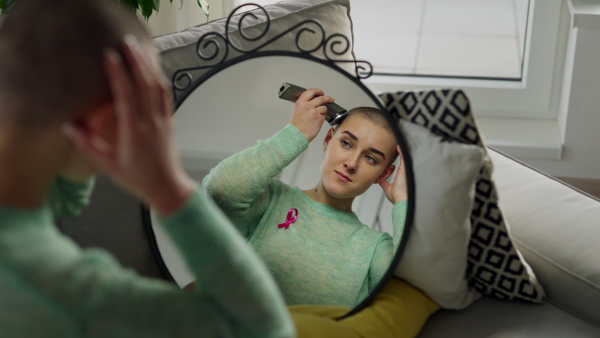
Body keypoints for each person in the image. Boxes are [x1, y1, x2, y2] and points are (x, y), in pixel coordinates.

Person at [0, 0, 294, 337]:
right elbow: (263, 329)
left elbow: (60, 201)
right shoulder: (72, 297)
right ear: (110, 120)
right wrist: (166, 184)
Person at [202, 88, 409, 308]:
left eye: (370, 158)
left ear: (384, 174)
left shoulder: (375, 248)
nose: (351, 163)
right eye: (346, 144)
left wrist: (403, 201)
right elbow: (221, 189)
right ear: (328, 140)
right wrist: (295, 133)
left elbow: (405, 294)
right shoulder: (271, 200)